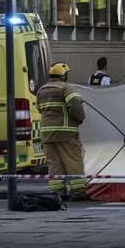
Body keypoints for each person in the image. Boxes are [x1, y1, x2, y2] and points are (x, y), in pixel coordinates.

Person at [37, 63, 87, 200]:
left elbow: (40, 109)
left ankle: (58, 192)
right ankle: (78, 191)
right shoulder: (66, 88)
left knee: (54, 164)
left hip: (47, 134)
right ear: (64, 75)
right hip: (66, 133)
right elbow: (76, 104)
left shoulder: (42, 90)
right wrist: (80, 118)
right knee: (73, 161)